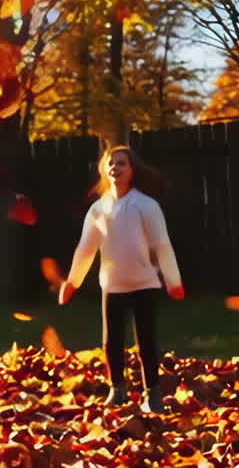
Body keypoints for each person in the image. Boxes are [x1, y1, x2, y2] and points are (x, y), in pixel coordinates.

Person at [58, 145, 184, 413]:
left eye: (122, 163)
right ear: (104, 169)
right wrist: (72, 283)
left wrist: (173, 281)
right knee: (111, 341)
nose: (115, 167)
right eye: (111, 163)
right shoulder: (98, 209)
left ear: (132, 169)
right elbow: (86, 249)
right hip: (112, 286)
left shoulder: (146, 206)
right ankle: (118, 389)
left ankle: (153, 393)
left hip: (144, 284)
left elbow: (162, 245)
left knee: (146, 341)